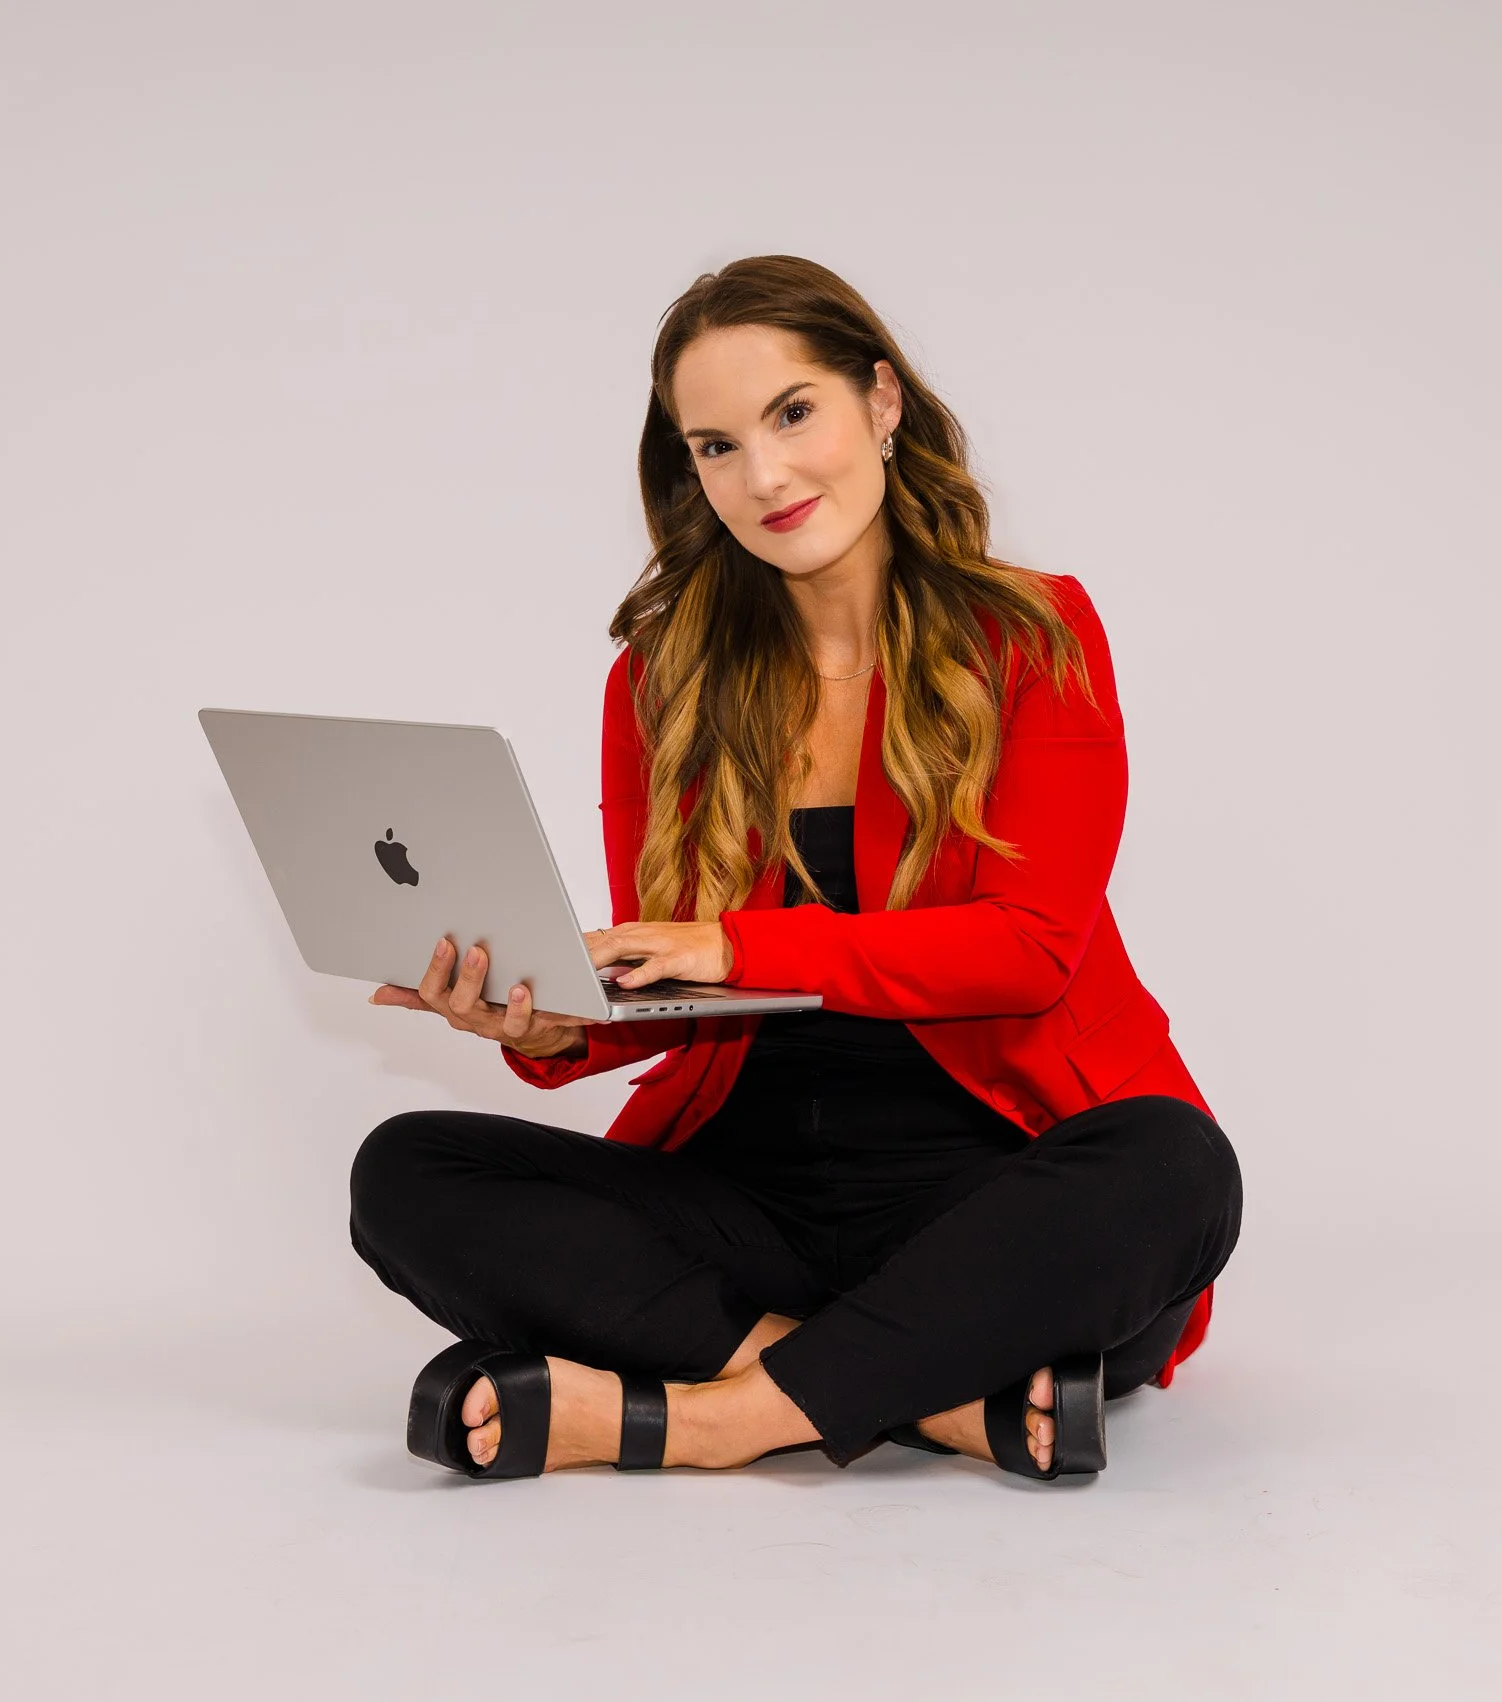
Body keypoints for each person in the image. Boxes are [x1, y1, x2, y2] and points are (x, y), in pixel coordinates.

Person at [349, 254, 1242, 1482]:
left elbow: (1031, 947)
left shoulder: (1034, 635)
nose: (760, 475)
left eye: (791, 413)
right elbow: (670, 988)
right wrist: (550, 1018)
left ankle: (702, 1420)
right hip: (749, 1205)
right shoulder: (661, 683)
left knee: (1175, 1169)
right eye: (713, 445)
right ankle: (927, 1397)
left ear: (880, 402)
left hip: (990, 1195)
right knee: (405, 1169)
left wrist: (736, 942)